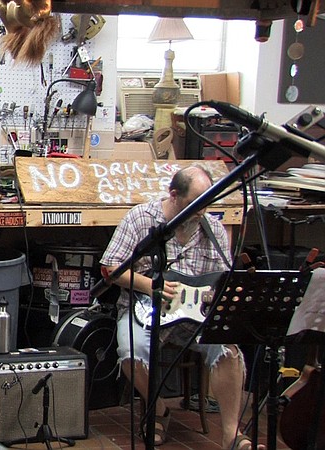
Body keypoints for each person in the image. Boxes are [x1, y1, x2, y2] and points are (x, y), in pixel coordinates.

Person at [100, 165, 263, 450]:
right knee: (129, 352)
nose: (200, 211)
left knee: (228, 348)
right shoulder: (141, 219)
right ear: (173, 194)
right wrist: (150, 286)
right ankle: (159, 410)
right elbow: (110, 268)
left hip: (195, 316)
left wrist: (218, 295)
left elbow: (222, 279)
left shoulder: (212, 228)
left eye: (206, 203)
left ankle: (231, 435)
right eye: (194, 204)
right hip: (145, 309)